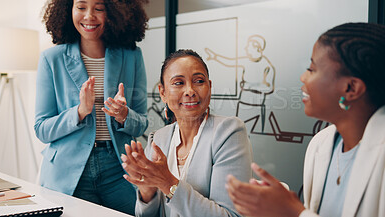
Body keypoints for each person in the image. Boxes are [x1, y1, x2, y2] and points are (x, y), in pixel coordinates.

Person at [226, 22, 385, 217]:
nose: (303, 77)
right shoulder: (321, 144)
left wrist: (293, 212)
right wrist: (274, 206)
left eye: (312, 69)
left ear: (351, 89)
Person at [34, 0, 149, 214]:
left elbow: (142, 124)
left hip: (119, 168)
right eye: (81, 7)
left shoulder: (132, 56)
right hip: (69, 171)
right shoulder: (51, 59)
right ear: (68, 10)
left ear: (114, 13)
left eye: (99, 8)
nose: (89, 16)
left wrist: (124, 115)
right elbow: (42, 129)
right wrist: (79, 112)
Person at [121, 49, 252, 217]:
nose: (190, 90)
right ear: (163, 93)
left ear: (209, 87)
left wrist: (168, 183)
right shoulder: (158, 139)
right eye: (178, 83)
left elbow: (231, 215)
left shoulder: (229, 132)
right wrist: (147, 192)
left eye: (198, 81)